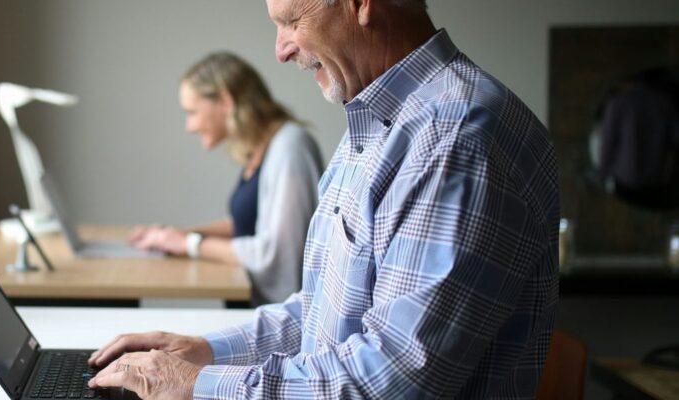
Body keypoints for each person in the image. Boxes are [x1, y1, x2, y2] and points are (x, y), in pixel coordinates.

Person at [88, 0, 560, 398]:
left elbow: (390, 379)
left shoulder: (452, 137)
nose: (280, 50)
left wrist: (202, 384)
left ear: (361, 5)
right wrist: (200, 351)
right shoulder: (378, 126)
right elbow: (316, 316)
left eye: (293, 21)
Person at [129, 51, 324, 306]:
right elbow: (246, 224)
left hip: (275, 319)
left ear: (224, 101)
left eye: (192, 112)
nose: (190, 126)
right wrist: (173, 236)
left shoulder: (291, 147)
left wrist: (189, 244)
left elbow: (277, 252)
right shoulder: (261, 148)